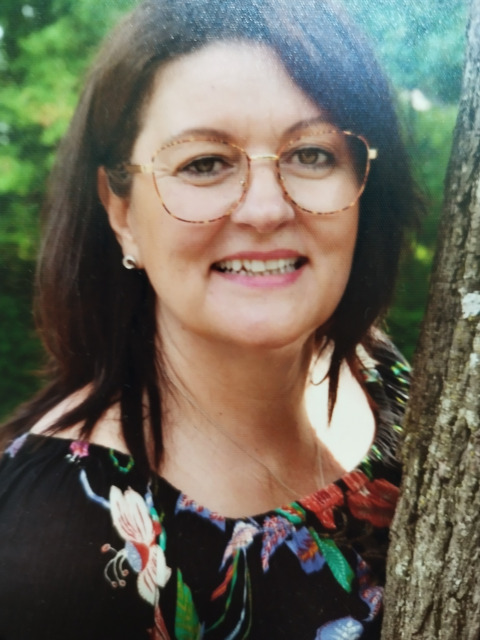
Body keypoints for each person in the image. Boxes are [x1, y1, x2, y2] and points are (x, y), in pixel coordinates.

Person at [0, 0, 420, 638]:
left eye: (311, 154)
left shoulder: (380, 376)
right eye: (204, 164)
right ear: (120, 212)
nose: (266, 209)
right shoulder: (52, 547)